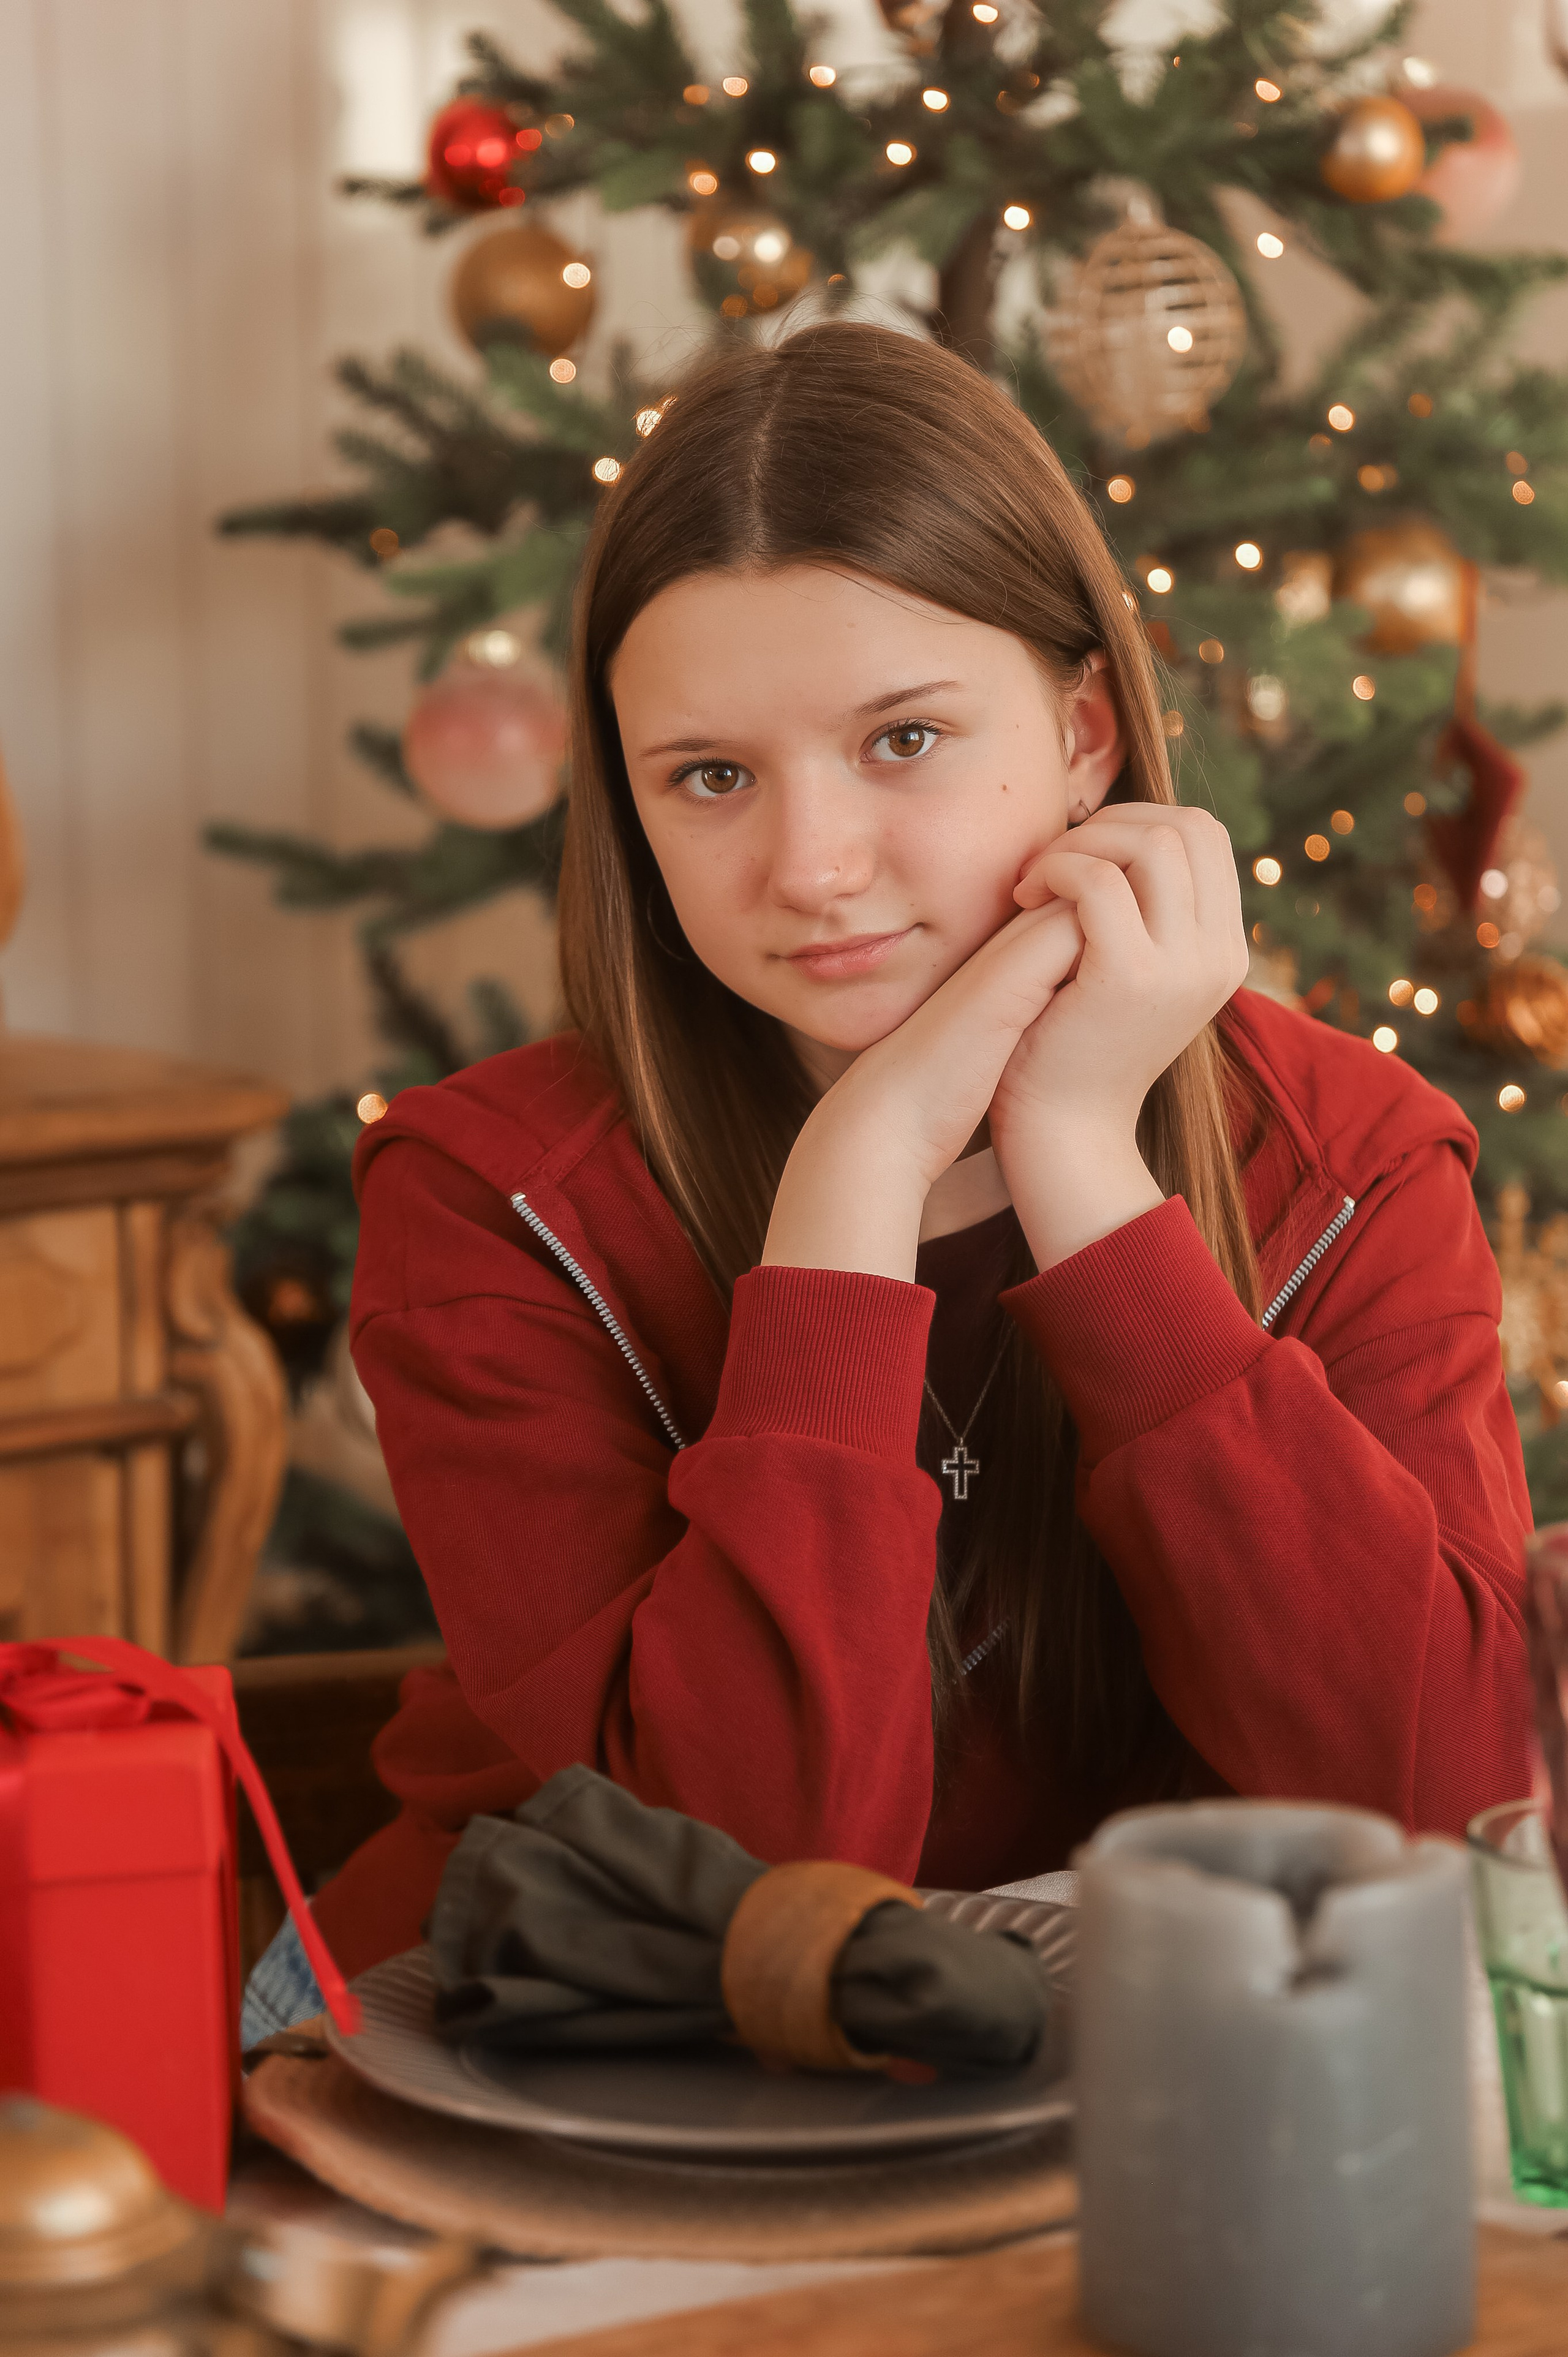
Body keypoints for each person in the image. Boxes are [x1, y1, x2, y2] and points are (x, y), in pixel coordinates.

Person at [243, 323, 1529, 2031]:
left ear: (1083, 733)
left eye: (904, 740)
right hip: (556, 2033)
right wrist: (851, 1192)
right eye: (709, 778)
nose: (813, 868)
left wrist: (1079, 1164)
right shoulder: (496, 1195)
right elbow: (744, 1876)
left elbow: (1442, 1798)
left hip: (1145, 2035)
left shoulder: (1350, 1161)